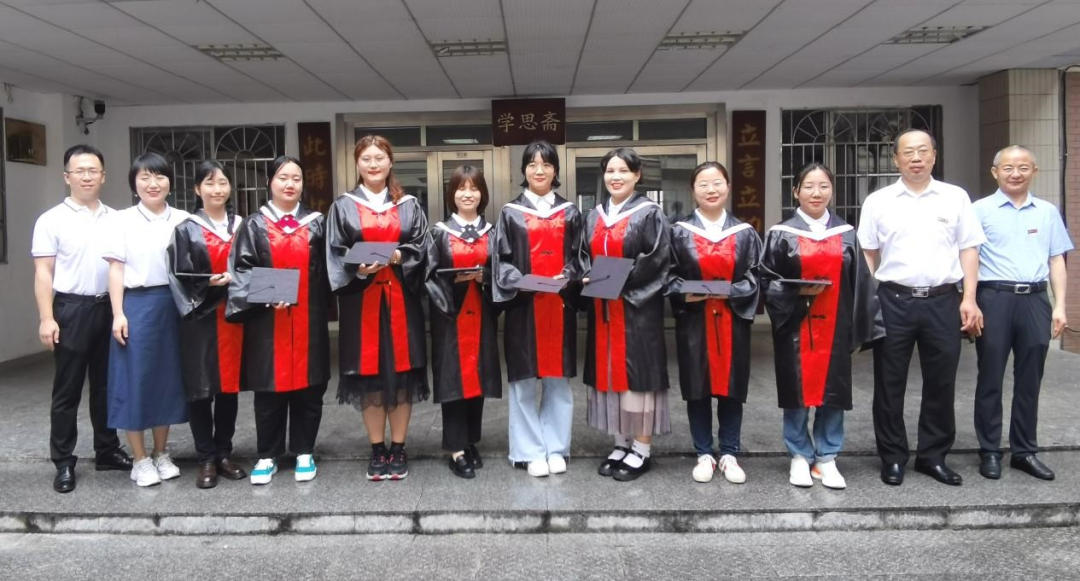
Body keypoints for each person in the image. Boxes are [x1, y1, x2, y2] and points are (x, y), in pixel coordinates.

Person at [857, 129, 986, 487]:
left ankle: (933, 456)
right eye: (908, 152)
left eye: (923, 151)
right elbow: (867, 254)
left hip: (943, 300)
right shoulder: (879, 201)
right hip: (893, 300)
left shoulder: (955, 197)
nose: (916, 158)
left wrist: (969, 298)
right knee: (889, 383)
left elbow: (969, 249)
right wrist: (866, 303)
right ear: (896, 158)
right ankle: (892, 457)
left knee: (941, 381)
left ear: (934, 156)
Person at [760, 163, 883, 490]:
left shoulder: (846, 234)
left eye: (824, 186)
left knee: (833, 393)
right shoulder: (781, 233)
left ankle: (827, 458)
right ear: (795, 191)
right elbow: (767, 281)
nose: (816, 193)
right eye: (809, 186)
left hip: (835, 327)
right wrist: (796, 292)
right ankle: (799, 456)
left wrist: (860, 328)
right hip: (795, 329)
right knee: (796, 392)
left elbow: (861, 283)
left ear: (832, 191)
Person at [326, 135, 429, 482]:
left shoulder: (409, 205)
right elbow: (335, 251)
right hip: (362, 303)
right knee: (370, 378)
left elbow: (422, 246)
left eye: (379, 157)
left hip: (402, 301)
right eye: (366, 158)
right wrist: (358, 267)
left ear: (390, 162)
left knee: (401, 376)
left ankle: (398, 448)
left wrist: (399, 256)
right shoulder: (343, 206)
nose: (373, 164)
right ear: (357, 164)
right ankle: (377, 449)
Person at [32, 144, 132, 493]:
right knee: (68, 389)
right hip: (71, 310)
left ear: (103, 176)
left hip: (109, 308)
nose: (87, 177)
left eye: (93, 171)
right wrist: (47, 318)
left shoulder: (116, 218)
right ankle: (63, 461)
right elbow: (43, 272)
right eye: (80, 171)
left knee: (106, 385)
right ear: (67, 177)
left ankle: (107, 449)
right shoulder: (51, 220)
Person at [227, 156, 330, 485]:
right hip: (267, 322)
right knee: (269, 391)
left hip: (308, 319)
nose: (290, 184)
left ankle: (304, 450)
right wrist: (266, 293)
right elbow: (241, 270)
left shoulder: (317, 223)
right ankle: (267, 455)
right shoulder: (254, 224)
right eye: (283, 177)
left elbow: (330, 267)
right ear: (270, 181)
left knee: (309, 389)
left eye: (296, 178)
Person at [972, 145, 1072, 481]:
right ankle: (989, 450)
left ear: (1034, 171)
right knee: (990, 377)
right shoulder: (979, 210)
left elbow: (1056, 259)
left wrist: (1060, 305)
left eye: (1023, 167)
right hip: (994, 297)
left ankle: (1024, 451)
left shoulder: (1047, 212)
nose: (1015, 174)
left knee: (1030, 379)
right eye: (1008, 168)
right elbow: (968, 258)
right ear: (995, 172)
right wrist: (969, 300)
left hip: (1035, 299)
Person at [493, 140, 583, 478]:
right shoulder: (510, 213)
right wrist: (520, 280)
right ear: (524, 170)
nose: (539, 170)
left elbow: (580, 256)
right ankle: (529, 451)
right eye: (532, 164)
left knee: (558, 380)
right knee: (524, 380)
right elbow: (500, 260)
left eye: (546, 164)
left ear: (555, 170)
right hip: (524, 307)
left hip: (559, 305)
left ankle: (556, 448)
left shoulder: (570, 212)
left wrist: (569, 275)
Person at [581, 148, 672, 481]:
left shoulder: (650, 214)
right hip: (604, 310)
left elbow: (658, 260)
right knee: (609, 376)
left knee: (637, 379)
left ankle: (641, 449)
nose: (616, 177)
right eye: (610, 171)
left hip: (636, 310)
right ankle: (620, 443)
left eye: (623, 170)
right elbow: (581, 255)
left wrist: (618, 282)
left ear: (637, 175)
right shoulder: (594, 216)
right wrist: (586, 276)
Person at [667, 161, 761, 485]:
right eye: (703, 184)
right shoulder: (679, 232)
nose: (711, 189)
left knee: (732, 388)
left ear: (728, 186)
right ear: (693, 190)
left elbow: (755, 276)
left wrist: (730, 291)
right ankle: (704, 453)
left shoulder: (745, 233)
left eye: (717, 182)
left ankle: (730, 452)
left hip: (732, 322)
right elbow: (669, 276)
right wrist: (687, 292)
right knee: (698, 388)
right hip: (695, 322)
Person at [101, 153, 190, 487]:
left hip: (174, 304)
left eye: (160, 177)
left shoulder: (183, 219)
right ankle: (139, 459)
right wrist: (118, 313)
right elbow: (116, 269)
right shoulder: (120, 220)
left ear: (170, 182)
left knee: (166, 380)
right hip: (137, 305)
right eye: (145, 178)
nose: (153, 184)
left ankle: (161, 453)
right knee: (134, 380)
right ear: (134, 184)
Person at [167, 161, 247, 489]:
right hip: (199, 318)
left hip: (234, 316)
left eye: (223, 182)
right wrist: (207, 282)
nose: (217, 189)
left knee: (229, 386)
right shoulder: (186, 229)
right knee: (200, 388)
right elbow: (178, 274)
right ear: (197, 189)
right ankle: (206, 458)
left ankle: (224, 453)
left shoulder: (242, 225)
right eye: (209, 183)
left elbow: (256, 264)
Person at [424, 165, 502, 479]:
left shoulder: (493, 232)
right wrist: (451, 288)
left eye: (474, 188)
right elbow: (429, 276)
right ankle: (456, 448)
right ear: (451, 194)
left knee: (477, 378)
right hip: (451, 317)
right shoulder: (439, 233)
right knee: (454, 380)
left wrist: (487, 277)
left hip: (482, 314)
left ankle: (470, 441)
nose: (467, 194)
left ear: (482, 194)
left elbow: (502, 271)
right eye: (461, 188)